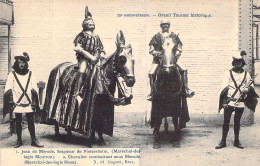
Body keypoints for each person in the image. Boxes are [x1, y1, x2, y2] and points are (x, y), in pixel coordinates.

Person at [216, 51, 259, 149]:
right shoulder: (228, 73)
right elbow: (224, 88)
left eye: (240, 61)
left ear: (242, 62)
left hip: (240, 103)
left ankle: (236, 141)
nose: (238, 63)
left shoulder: (247, 74)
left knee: (237, 122)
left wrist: (247, 89)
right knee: (226, 121)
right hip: (230, 101)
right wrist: (223, 102)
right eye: (236, 61)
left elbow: (251, 86)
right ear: (233, 62)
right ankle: (223, 141)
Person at [147, 19, 194, 101]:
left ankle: (187, 89)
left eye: (167, 24)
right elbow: (151, 50)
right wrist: (158, 54)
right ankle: (152, 92)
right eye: (163, 24)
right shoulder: (156, 36)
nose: (165, 26)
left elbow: (180, 48)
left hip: (173, 59)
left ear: (169, 25)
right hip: (159, 60)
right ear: (161, 26)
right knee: (151, 73)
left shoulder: (174, 36)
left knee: (184, 69)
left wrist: (176, 54)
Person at [3, 52, 43, 148]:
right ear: (16, 63)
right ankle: (19, 140)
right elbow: (8, 88)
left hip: (28, 103)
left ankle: (33, 140)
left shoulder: (30, 74)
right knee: (18, 122)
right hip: (18, 103)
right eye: (19, 62)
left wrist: (34, 102)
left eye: (23, 62)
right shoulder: (12, 75)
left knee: (30, 122)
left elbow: (34, 88)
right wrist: (10, 101)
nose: (21, 64)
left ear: (26, 63)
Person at [73, 6, 106, 103]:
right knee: (82, 71)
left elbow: (101, 48)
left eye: (92, 23)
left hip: (96, 59)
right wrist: (88, 55)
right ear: (85, 24)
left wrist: (102, 54)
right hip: (84, 58)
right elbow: (77, 47)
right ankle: (78, 91)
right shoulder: (81, 35)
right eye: (89, 23)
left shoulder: (97, 36)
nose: (91, 24)